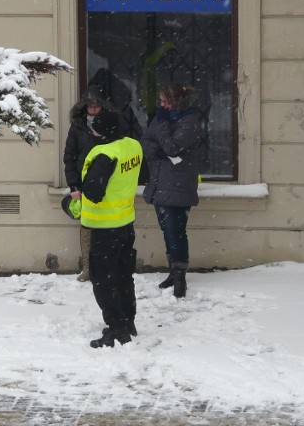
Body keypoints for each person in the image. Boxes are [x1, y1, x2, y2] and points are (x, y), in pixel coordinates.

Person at [81, 108, 142, 348]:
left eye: (94, 126)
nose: (91, 130)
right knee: (124, 275)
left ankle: (117, 330)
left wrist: (76, 200)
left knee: (104, 280)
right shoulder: (132, 146)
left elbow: (94, 192)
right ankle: (129, 321)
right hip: (126, 223)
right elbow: (143, 174)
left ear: (102, 131)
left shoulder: (105, 153)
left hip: (106, 228)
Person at [141, 84, 205, 298]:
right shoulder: (164, 119)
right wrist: (159, 149)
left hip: (178, 185)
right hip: (160, 182)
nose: (163, 105)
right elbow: (146, 143)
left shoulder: (189, 121)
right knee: (166, 230)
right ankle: (173, 271)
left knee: (175, 231)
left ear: (178, 101)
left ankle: (180, 278)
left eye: (167, 102)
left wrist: (161, 126)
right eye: (161, 101)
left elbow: (172, 147)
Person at [63, 89, 112, 281]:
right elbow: (69, 157)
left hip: (107, 184)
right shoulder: (77, 127)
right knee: (87, 229)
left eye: (97, 105)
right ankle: (88, 269)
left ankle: (105, 267)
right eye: (90, 105)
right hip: (84, 185)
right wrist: (73, 185)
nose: (93, 109)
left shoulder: (110, 126)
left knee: (107, 229)